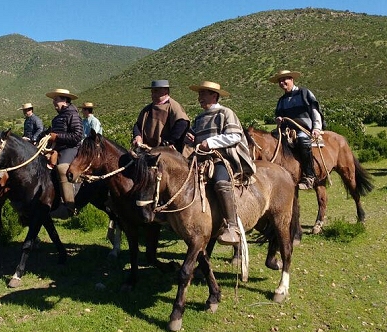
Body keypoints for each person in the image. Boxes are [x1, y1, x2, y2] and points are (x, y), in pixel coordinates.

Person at [185, 81, 256, 246]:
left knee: (220, 182)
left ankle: (232, 226)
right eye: (199, 94)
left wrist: (210, 143)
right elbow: (195, 138)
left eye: (203, 94)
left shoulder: (226, 113)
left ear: (214, 96)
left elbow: (235, 136)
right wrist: (190, 138)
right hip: (200, 158)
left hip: (220, 158)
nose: (199, 97)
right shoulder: (199, 118)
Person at [270, 69, 324, 190]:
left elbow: (315, 110)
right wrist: (278, 119)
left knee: (302, 140)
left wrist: (316, 128)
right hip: (286, 131)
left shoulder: (304, 93)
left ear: (292, 80)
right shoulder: (281, 100)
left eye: (285, 80)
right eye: (280, 81)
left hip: (303, 129)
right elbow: (279, 115)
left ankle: (310, 176)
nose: (282, 82)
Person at [45, 88, 84, 219]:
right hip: (58, 148)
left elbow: (77, 136)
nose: (54, 102)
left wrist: (57, 137)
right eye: (53, 100)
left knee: (62, 168)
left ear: (65, 101)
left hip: (71, 148)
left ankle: (69, 207)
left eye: (56, 99)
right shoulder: (56, 118)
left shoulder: (73, 115)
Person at [132, 79, 190, 153]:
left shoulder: (173, 106)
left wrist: (169, 142)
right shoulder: (147, 109)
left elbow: (182, 123)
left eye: (156, 91)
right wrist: (137, 136)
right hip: (146, 149)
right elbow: (137, 125)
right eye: (152, 92)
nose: (153, 95)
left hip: (167, 151)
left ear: (165, 91)